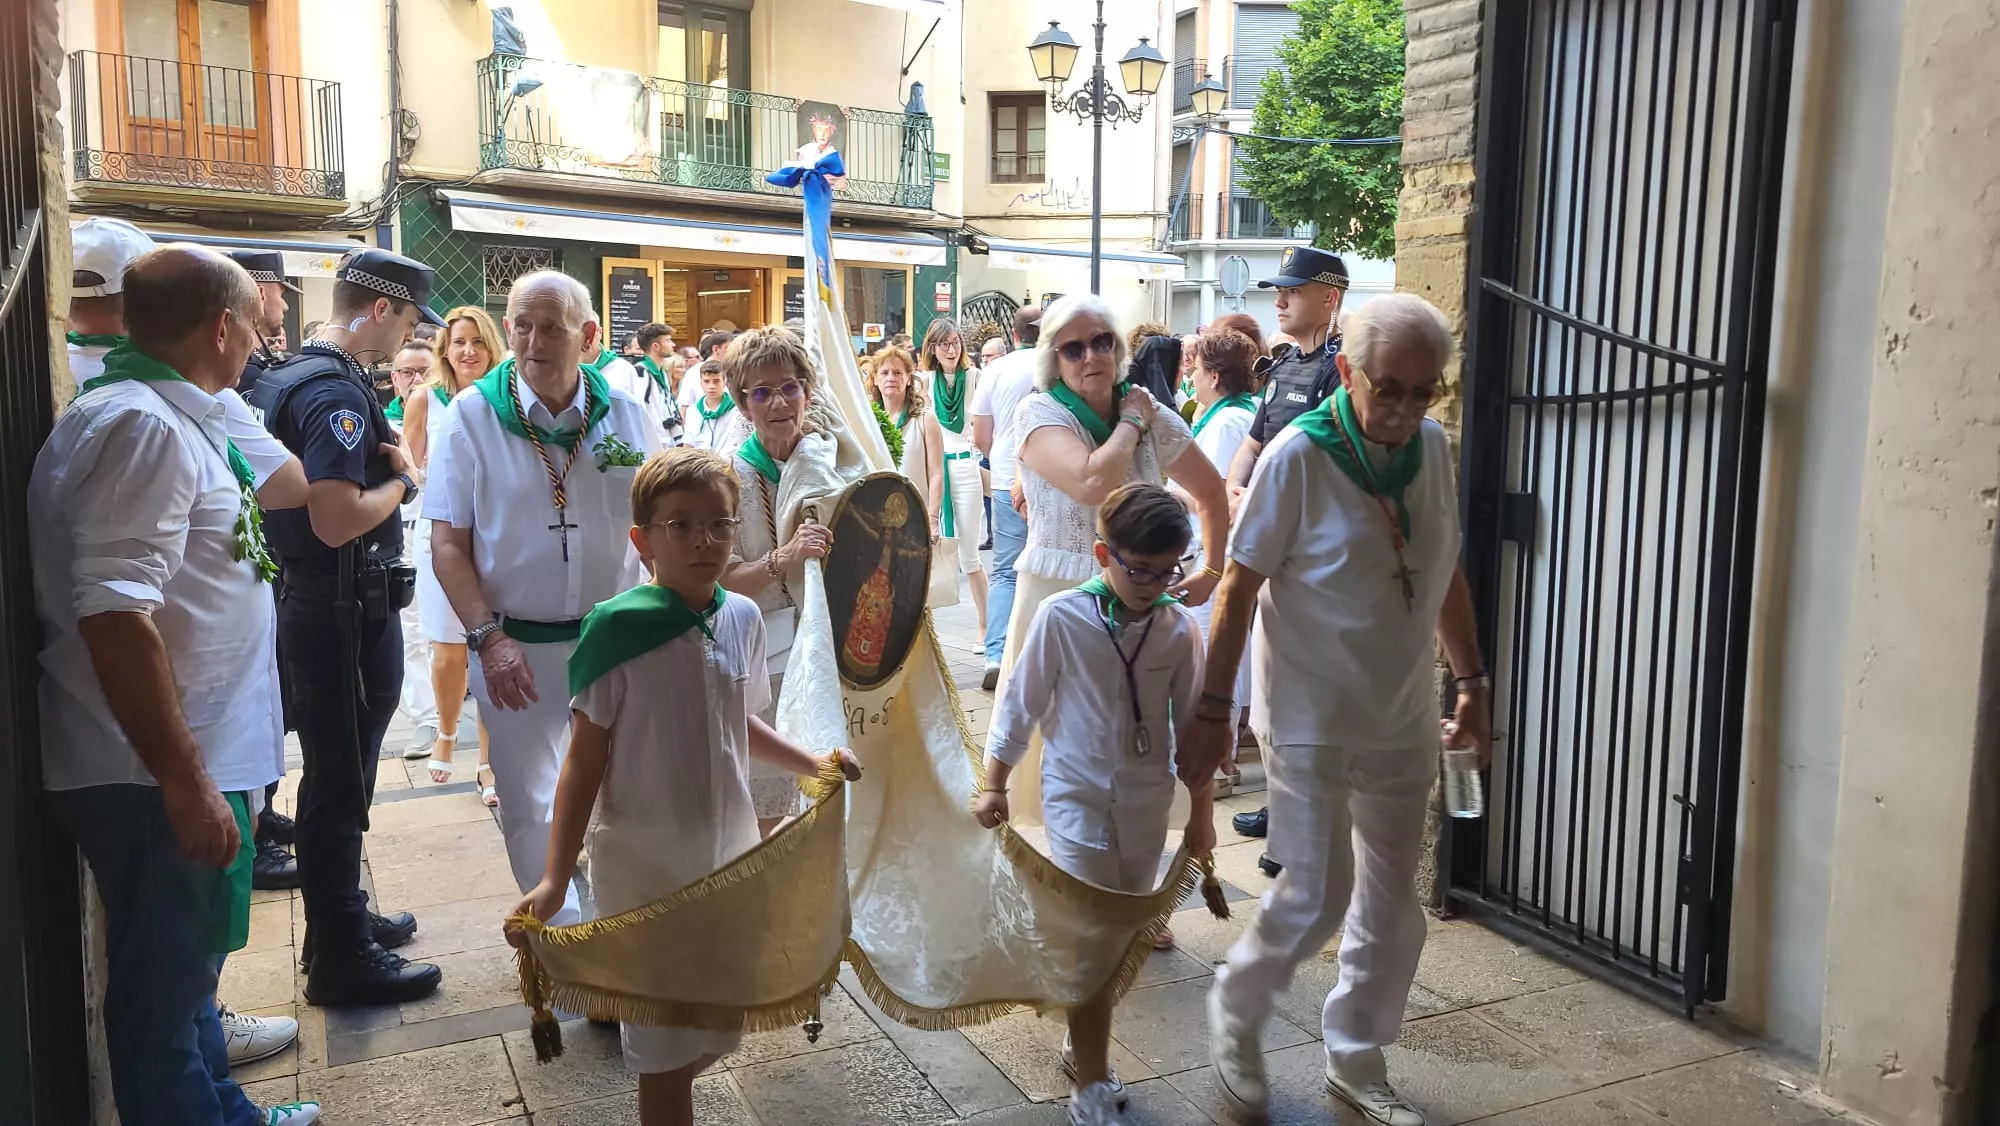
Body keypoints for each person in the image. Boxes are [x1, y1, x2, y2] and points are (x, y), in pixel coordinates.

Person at [1178, 295, 1490, 1126]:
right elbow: (1239, 583)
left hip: (1401, 714)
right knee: (1317, 891)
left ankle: (1357, 1054)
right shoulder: (1298, 456)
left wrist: (1471, 685)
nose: (1405, 408)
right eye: (1389, 388)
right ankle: (1238, 1013)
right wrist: (1215, 707)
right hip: (1310, 708)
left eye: (1424, 392)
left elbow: (1446, 568)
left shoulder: (1430, 448)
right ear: (1346, 372)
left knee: (1395, 908)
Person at [31, 244, 323, 1125]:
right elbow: (116, 613)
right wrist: (183, 777)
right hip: (148, 768)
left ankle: (226, 1113)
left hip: (179, 757)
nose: (264, 337)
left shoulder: (168, 409)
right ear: (224, 327)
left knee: (188, 963)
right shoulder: (142, 427)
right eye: (258, 321)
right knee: (162, 991)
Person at [508, 447, 861, 1126]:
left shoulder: (741, 618)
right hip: (645, 870)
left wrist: (811, 762)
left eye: (720, 524)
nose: (704, 540)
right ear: (642, 540)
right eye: (680, 525)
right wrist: (556, 878)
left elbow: (740, 724)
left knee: (720, 1016)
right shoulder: (616, 630)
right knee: (665, 1048)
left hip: (724, 854)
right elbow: (584, 763)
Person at [428, 270, 663, 928]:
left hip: (614, 643)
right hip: (514, 650)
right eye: (522, 325)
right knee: (529, 801)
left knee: (625, 793)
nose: (532, 341)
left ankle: (617, 928)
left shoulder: (627, 413)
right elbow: (448, 543)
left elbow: (661, 519)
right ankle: (562, 939)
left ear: (588, 337)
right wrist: (487, 638)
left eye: (551, 327)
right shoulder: (471, 417)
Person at [978, 483, 1213, 1126]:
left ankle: (1083, 1038)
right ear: (1103, 553)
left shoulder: (1176, 626)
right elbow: (1019, 703)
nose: (1156, 583)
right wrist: (995, 782)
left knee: (1121, 934)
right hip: (1075, 796)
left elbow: (1195, 727)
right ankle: (1092, 1081)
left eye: (1170, 570)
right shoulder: (1063, 617)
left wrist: (1202, 817)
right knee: (1090, 938)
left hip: (1144, 799)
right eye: (1140, 569)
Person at [256, 246, 442, 1006]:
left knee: (342, 774)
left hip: (324, 602)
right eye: (405, 322)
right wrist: (402, 480)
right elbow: (334, 519)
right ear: (379, 310)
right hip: (339, 605)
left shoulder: (294, 371)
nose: (408, 340)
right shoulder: (331, 388)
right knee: (339, 779)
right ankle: (339, 952)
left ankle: (344, 916)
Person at [1218, 251, 1344, 854]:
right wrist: (1234, 487)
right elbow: (1253, 441)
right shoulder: (1285, 366)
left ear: (1330, 296)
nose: (1280, 300)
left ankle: (1301, 823)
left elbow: (1318, 457)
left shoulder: (1337, 372)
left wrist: (1258, 493)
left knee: (1305, 690)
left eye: (1293, 290)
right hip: (1269, 539)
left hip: (1308, 553)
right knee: (1272, 689)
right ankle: (1282, 807)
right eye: (1279, 291)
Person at [717, 327, 837, 834]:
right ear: (743, 405)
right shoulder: (728, 477)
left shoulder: (836, 463)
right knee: (765, 798)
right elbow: (720, 582)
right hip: (764, 655)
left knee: (830, 782)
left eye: (789, 386)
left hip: (830, 652)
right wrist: (783, 558)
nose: (779, 402)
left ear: (808, 391)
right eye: (761, 392)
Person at [404, 305, 502, 805]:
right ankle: (446, 731)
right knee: (447, 646)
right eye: (459, 342)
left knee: (490, 646)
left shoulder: (503, 400)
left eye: (478, 342)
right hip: (439, 536)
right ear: (445, 348)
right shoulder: (426, 399)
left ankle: (488, 760)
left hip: (494, 538)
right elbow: (408, 465)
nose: (468, 352)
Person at [1173, 329, 1262, 790]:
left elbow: (1221, 495)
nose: (1190, 374)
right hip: (1214, 548)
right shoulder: (1229, 414)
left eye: (1196, 367)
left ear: (1214, 375)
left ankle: (1221, 764)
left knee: (1215, 652)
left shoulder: (1229, 423)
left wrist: (1179, 492)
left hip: (1218, 552)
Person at [970, 306, 1042, 688]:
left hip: (1003, 478)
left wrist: (998, 456)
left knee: (1004, 571)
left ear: (1014, 336)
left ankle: (995, 654)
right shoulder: (1056, 364)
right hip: (1049, 477)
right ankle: (1033, 653)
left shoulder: (996, 370)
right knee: (1045, 565)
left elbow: (982, 432)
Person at [384, 342, 442, 761]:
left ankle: (448, 715)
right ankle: (426, 717)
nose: (416, 379)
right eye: (407, 372)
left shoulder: (445, 410)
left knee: (442, 631)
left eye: (425, 370)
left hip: (440, 532)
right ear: (394, 378)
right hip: (402, 533)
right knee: (412, 630)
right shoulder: (383, 421)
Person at [917, 318, 989, 632]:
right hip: (935, 470)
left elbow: (986, 421)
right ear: (933, 347)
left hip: (966, 465)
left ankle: (987, 627)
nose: (951, 348)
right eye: (944, 343)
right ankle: (925, 628)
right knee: (929, 549)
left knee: (971, 555)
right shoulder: (923, 381)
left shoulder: (974, 377)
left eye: (956, 342)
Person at [867, 345, 946, 546]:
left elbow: (936, 474)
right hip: (874, 519)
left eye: (898, 372)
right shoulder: (868, 421)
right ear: (875, 379)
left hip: (915, 518)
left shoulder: (925, 419)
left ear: (909, 379)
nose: (890, 378)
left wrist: (933, 518)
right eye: (884, 372)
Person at [223, 249, 301, 410]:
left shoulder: (231, 362)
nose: (285, 306)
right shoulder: (238, 369)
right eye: (281, 295)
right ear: (259, 295)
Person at [681, 358, 744, 453]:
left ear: (724, 383)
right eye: (707, 381)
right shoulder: (693, 410)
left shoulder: (736, 410)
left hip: (726, 464)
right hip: (700, 464)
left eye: (716, 381)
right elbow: (688, 444)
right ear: (701, 384)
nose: (711, 386)